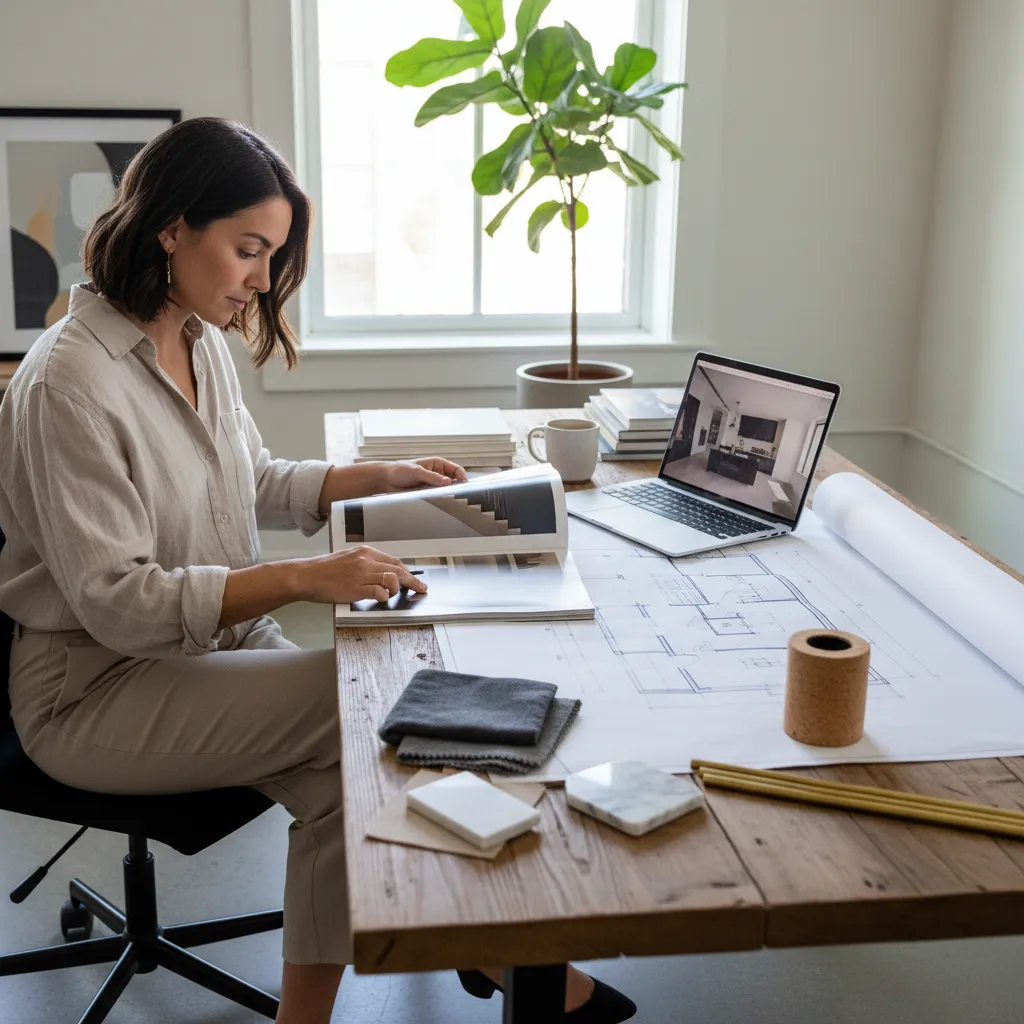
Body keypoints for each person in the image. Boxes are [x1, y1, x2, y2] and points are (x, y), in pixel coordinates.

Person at [0, 117, 635, 1024]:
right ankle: (508, 957)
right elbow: (119, 603)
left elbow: (246, 481)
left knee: (358, 780)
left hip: (207, 650)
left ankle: (492, 955)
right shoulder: (71, 381)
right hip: (94, 689)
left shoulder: (196, 336)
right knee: (371, 699)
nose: (261, 279)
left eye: (273, 254)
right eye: (247, 250)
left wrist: (372, 479)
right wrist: (307, 576)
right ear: (171, 227)